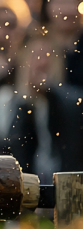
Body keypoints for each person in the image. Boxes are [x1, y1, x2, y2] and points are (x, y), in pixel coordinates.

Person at [4, 33, 83, 182]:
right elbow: (14, 146)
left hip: (67, 184)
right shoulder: (15, 103)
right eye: (35, 56)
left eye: (48, 56)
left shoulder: (73, 101)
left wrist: (51, 91)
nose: (42, 63)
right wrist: (25, 101)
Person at [40, 0, 83, 85]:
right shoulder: (36, 42)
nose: (67, 9)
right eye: (61, 2)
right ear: (47, 6)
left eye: (73, 2)